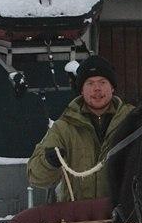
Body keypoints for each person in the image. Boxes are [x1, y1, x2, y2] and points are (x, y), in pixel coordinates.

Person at [27, 55, 134, 202]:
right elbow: (36, 177)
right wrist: (49, 162)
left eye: (102, 82)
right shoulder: (63, 128)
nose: (97, 88)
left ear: (112, 87)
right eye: (90, 83)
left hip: (125, 219)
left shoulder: (133, 121)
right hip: (78, 219)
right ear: (81, 90)